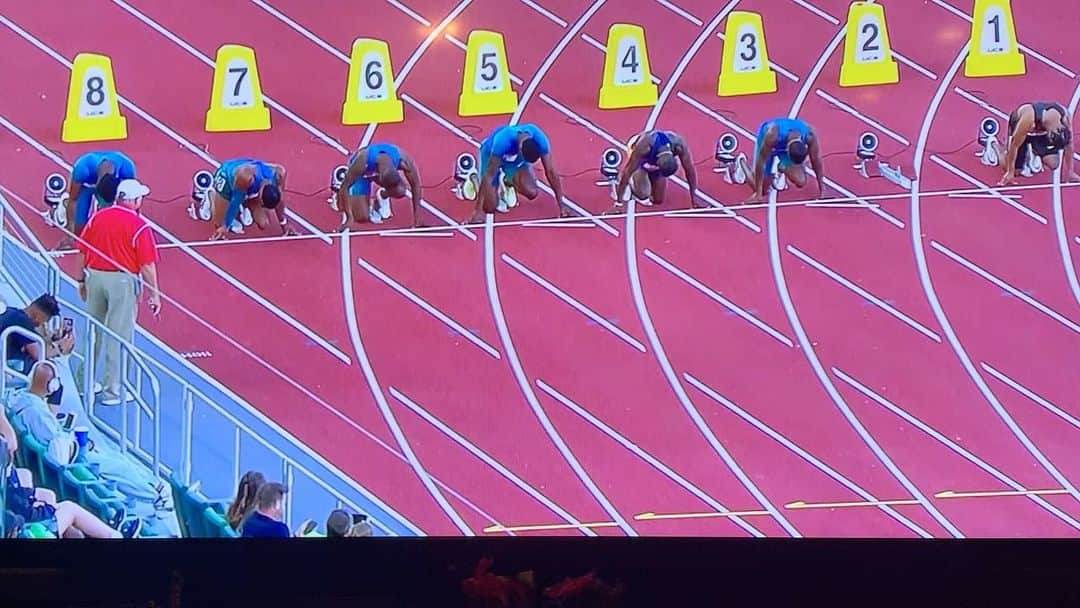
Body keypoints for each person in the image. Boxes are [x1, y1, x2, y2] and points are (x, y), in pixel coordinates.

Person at [8, 360, 176, 537]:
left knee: (118, 460)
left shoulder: (18, 401)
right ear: (52, 385)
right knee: (121, 467)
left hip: (72, 462)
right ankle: (156, 498)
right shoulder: (36, 412)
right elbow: (59, 448)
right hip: (79, 462)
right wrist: (76, 441)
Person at [75, 177, 162, 406]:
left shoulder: (98, 217)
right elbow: (147, 265)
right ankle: (113, 390)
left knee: (93, 331)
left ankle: (84, 382)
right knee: (119, 335)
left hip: (94, 276)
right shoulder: (139, 225)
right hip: (122, 282)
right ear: (133, 200)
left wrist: (80, 280)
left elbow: (82, 250)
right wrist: (155, 293)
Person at [469, 123, 572, 224]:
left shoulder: (540, 140)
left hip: (515, 160)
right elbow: (489, 175)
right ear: (521, 150)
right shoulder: (503, 141)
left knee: (532, 192)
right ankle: (472, 177)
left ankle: (507, 181)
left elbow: (551, 172)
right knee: (490, 207)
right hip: (491, 154)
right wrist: (478, 211)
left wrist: (562, 206)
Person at [605, 129, 701, 214]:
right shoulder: (644, 147)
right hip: (640, 155)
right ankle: (629, 183)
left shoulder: (679, 145)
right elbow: (627, 172)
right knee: (643, 194)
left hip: (656, 160)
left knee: (658, 200)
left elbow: (690, 170)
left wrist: (694, 198)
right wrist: (618, 204)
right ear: (658, 163)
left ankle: (650, 178)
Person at [336, 143, 425, 230]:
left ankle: (382, 196)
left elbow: (416, 185)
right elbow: (345, 187)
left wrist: (418, 216)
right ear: (380, 176)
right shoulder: (362, 161)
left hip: (377, 170)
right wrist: (349, 217)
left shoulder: (403, 161)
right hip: (362, 174)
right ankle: (336, 186)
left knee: (401, 190)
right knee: (361, 217)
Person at [58, 150, 137, 247]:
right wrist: (69, 232)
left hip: (109, 188)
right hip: (85, 185)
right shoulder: (82, 168)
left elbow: (134, 199)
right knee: (79, 233)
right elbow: (73, 200)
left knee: (109, 222)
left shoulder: (127, 167)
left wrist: (134, 228)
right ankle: (62, 205)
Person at [740, 117, 825, 203]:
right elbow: (761, 162)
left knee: (801, 181)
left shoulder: (810, 135)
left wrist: (822, 188)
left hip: (785, 146)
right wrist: (758, 194)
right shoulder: (772, 135)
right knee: (763, 190)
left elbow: (816, 160)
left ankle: (782, 167)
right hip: (766, 143)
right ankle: (741, 162)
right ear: (787, 150)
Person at [209, 158, 297, 240]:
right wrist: (225, 226)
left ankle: (244, 205)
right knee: (218, 224)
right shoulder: (245, 177)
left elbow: (280, 201)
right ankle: (210, 194)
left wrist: (284, 223)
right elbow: (235, 202)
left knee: (263, 224)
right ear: (260, 195)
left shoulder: (279, 175)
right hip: (227, 178)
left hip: (249, 188)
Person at [995, 101, 1079, 185]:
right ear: (1051, 134)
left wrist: (1070, 172)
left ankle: (1033, 151)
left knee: (1053, 163)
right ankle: (996, 147)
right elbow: (1015, 145)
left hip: (1040, 133)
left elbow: (1069, 144)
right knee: (1015, 171)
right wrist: (1010, 172)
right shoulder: (1028, 119)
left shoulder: (1065, 117)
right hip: (1022, 129)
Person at [0, 294, 66, 376]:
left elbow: (34, 342)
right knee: (45, 368)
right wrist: (61, 349)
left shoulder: (12, 312)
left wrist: (53, 339)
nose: (41, 324)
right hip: (5, 366)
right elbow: (39, 355)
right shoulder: (23, 323)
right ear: (38, 316)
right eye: (45, 320)